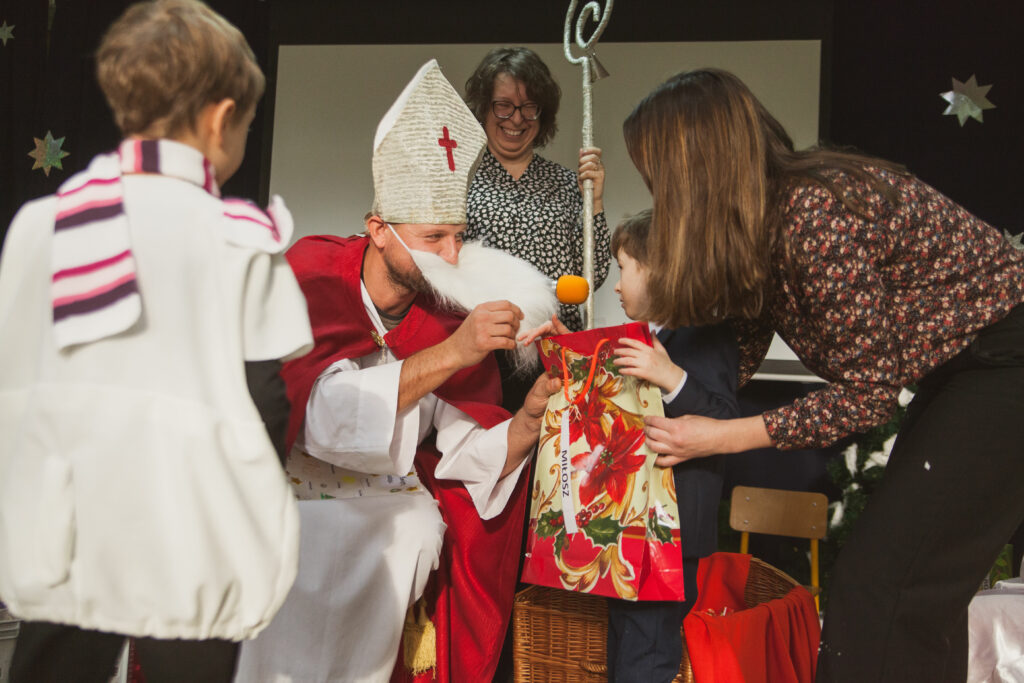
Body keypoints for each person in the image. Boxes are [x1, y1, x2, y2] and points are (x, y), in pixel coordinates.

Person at [622, 67, 1024, 682]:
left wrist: (718, 435)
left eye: (660, 178)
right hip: (963, 370)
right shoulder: (760, 230)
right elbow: (735, 356)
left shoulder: (811, 212)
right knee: (907, 591)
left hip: (1006, 360)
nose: (661, 198)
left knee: (883, 587)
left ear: (695, 171)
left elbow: (866, 397)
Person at [0, 2, 314, 682]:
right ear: (218, 118)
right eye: (247, 126)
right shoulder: (237, 238)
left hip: (66, 511)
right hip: (191, 521)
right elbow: (266, 404)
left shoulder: (39, 224)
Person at [233, 59, 561, 683]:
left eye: (458, 236)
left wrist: (525, 420)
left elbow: (464, 451)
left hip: (387, 500)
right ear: (379, 231)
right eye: (434, 237)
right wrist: (454, 354)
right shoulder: (312, 276)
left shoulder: (443, 311)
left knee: (416, 526)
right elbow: (320, 422)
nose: (452, 256)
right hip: (288, 485)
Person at [607, 209, 739, 682]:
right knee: (624, 647)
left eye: (623, 268)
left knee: (649, 655)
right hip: (632, 526)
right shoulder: (646, 339)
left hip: (672, 534)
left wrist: (671, 377)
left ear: (658, 268)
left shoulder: (708, 335)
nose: (617, 286)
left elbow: (727, 422)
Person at [464, 46, 609, 408]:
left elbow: (595, 275)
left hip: (558, 355)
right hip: (486, 361)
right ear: (484, 108)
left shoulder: (566, 183)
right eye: (503, 105)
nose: (516, 119)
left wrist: (594, 202)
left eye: (529, 107)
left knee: (557, 462)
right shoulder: (461, 184)